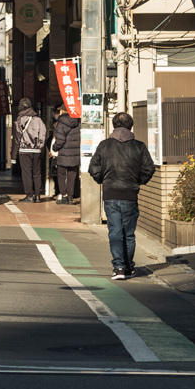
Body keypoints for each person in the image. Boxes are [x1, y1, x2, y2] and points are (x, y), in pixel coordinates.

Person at [88, 113, 156, 279]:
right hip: (130, 194)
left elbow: (94, 167)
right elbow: (149, 168)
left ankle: (119, 267)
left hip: (111, 193)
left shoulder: (104, 145)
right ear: (131, 126)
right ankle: (128, 267)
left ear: (113, 125)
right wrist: (137, 182)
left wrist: (103, 180)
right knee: (129, 233)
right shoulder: (139, 146)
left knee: (115, 232)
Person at [14, 98, 47, 202]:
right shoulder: (38, 120)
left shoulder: (19, 120)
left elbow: (17, 136)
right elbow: (43, 133)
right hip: (37, 150)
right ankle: (37, 195)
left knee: (27, 173)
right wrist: (40, 146)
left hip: (24, 150)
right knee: (37, 172)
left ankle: (29, 195)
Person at [50, 99, 82, 205]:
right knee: (72, 176)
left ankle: (63, 195)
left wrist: (54, 148)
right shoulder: (78, 122)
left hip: (63, 154)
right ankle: (70, 197)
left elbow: (60, 140)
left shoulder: (61, 122)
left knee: (62, 175)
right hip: (74, 154)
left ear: (63, 111)